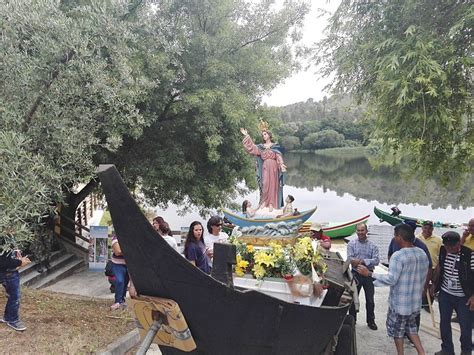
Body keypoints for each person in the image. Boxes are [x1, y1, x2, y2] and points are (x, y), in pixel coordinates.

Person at [357, 223, 429, 355]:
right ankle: (422, 353)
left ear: (400, 237)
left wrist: (369, 274)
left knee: (398, 332)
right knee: (411, 328)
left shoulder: (398, 256)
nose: (394, 238)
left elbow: (391, 279)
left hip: (400, 304)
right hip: (414, 303)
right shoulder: (422, 253)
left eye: (395, 235)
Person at [431, 231, 473, 355]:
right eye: (447, 246)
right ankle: (447, 349)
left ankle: (466, 351)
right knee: (444, 323)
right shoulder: (444, 250)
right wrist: (434, 284)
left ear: (459, 243)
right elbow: (439, 267)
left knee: (465, 327)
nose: (449, 249)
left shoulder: (469, 254)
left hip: (463, 297)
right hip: (445, 294)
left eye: (452, 246)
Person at [240, 125, 286, 211]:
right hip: (265, 167)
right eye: (263, 135)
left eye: (265, 134)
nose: (263, 136)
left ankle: (272, 203)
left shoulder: (275, 146)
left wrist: (282, 165)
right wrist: (247, 136)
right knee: (265, 184)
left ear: (269, 135)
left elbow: (278, 156)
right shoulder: (261, 147)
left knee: (273, 184)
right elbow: (253, 148)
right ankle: (264, 202)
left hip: (273, 167)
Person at [347, 223, 380, 330]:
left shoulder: (373, 245)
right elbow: (349, 259)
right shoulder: (351, 244)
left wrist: (363, 261)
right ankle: (352, 320)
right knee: (353, 299)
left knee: (370, 300)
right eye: (358, 230)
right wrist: (356, 262)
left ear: (366, 231)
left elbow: (376, 260)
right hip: (355, 274)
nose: (360, 233)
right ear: (356, 231)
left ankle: (371, 321)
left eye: (362, 230)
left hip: (369, 275)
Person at [0, 237, 31, 332]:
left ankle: (8, 316)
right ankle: (12, 319)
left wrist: (22, 259)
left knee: (13, 295)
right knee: (15, 296)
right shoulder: (3, 238)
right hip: (7, 273)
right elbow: (2, 261)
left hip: (10, 272)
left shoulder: (10, 236)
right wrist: (20, 262)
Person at [417, 220, 442, 312]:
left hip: (433, 267)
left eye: (429, 228)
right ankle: (418, 303)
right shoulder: (417, 238)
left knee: (431, 287)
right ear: (422, 228)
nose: (427, 230)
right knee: (419, 286)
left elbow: (442, 254)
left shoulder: (438, 240)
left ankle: (428, 305)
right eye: (425, 228)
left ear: (432, 229)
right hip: (419, 268)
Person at [110, 234, 129, 310]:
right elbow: (118, 251)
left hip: (128, 264)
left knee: (125, 282)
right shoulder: (116, 237)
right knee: (120, 281)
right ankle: (118, 301)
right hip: (118, 264)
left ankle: (122, 300)